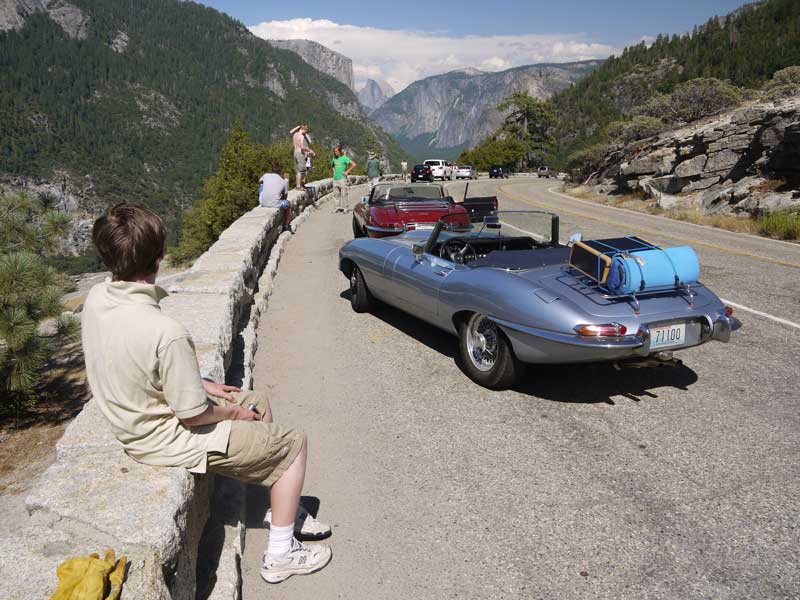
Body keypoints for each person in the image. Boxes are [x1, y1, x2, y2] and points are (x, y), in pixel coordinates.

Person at [82, 204, 332, 584]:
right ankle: (281, 553)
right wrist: (231, 414)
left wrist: (205, 383)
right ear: (160, 255)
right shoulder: (165, 331)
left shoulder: (98, 299)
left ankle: (278, 504)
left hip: (134, 417)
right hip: (163, 437)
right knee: (294, 445)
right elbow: (194, 415)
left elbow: (141, 365)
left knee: (256, 401)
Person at [259, 164, 293, 233]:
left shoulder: (265, 175)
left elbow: (260, 181)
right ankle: (286, 224)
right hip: (274, 204)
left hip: (262, 202)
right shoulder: (284, 181)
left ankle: (265, 197)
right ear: (280, 171)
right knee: (288, 204)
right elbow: (285, 197)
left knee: (261, 186)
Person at [331, 146, 356, 213]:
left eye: (336, 151)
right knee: (336, 194)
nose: (335, 152)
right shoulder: (334, 159)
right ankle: (337, 207)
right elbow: (332, 166)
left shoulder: (344, 158)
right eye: (334, 151)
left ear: (340, 151)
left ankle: (345, 208)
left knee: (344, 194)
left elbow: (353, 164)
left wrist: (347, 171)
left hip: (342, 179)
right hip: (335, 179)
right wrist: (334, 173)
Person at [290, 124, 315, 190]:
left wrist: (299, 127)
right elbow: (302, 147)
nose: (307, 132)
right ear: (304, 129)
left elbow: (310, 141)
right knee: (302, 170)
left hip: (297, 153)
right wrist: (310, 150)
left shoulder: (295, 134)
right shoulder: (301, 136)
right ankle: (299, 185)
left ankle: (301, 184)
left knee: (303, 169)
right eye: (306, 130)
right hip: (302, 153)